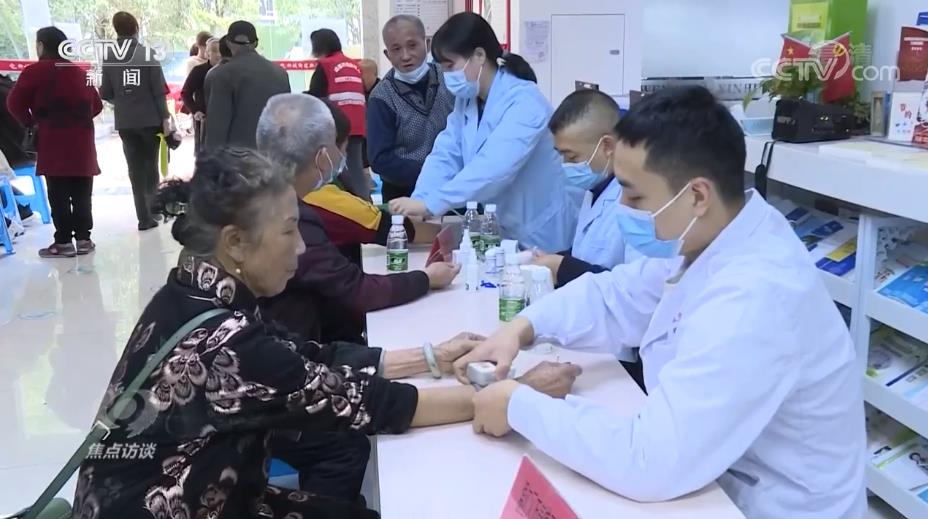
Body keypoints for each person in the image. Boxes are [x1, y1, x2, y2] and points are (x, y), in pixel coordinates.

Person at [457, 86, 866, 519]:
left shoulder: (757, 296)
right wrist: (520, 328)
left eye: (635, 196)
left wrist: (517, 404)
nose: (623, 207)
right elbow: (616, 295)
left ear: (697, 196)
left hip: (770, 506)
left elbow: (650, 461)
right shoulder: (713, 238)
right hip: (714, 478)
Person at [256, 93, 458, 344]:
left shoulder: (257, 197)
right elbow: (357, 291)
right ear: (322, 157)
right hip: (305, 343)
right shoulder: (297, 216)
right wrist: (427, 278)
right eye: (339, 148)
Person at [389, 13, 577, 252]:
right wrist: (421, 198)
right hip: (505, 229)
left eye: (450, 66)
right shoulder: (468, 101)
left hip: (543, 230)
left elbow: (494, 167)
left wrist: (432, 203)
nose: (447, 76)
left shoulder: (526, 101)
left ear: (479, 55)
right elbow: (446, 154)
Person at [305, 98, 440, 267]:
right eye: (344, 149)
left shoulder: (288, 189)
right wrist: (448, 234)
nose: (344, 157)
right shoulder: (320, 197)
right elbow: (384, 224)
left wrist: (395, 208)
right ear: (324, 153)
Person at [7, 26, 103, 258]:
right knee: (82, 193)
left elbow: (13, 103)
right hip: (82, 144)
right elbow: (97, 105)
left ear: (41, 45)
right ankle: (84, 240)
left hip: (52, 142)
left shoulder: (33, 72)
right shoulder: (80, 73)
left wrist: (32, 123)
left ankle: (63, 242)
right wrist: (76, 120)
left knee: (58, 193)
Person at [533, 90, 634, 287]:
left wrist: (562, 267)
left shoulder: (635, 201)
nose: (566, 165)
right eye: (561, 155)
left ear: (607, 146)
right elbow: (585, 253)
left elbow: (634, 289)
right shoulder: (596, 190)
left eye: (572, 157)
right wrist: (550, 260)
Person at [367, 15, 455, 202]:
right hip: (404, 196)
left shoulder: (450, 79)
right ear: (387, 55)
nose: (406, 56)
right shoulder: (381, 98)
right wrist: (429, 173)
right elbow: (380, 159)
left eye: (412, 45)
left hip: (454, 187)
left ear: (427, 44)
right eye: (396, 49)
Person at [99, 11, 171, 232]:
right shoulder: (146, 54)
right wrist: (165, 117)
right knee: (150, 166)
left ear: (116, 30)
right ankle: (153, 209)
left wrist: (123, 101)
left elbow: (105, 92)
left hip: (125, 122)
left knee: (135, 169)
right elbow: (158, 91)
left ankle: (143, 218)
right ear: (136, 29)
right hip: (150, 119)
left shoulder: (109, 57)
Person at [204, 21, 289, 149]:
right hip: (274, 152)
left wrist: (210, 158)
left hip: (238, 156)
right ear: (256, 43)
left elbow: (217, 127)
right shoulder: (281, 73)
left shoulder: (222, 75)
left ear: (228, 43)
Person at [307, 29, 370, 201]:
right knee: (356, 169)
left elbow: (316, 96)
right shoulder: (354, 65)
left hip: (336, 125)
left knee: (331, 168)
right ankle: (366, 204)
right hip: (357, 124)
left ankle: (338, 205)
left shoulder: (325, 65)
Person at [181, 37, 220, 155]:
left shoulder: (230, 71)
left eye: (221, 51)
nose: (219, 54)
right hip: (204, 119)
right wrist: (195, 111)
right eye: (215, 51)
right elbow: (185, 93)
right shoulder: (199, 71)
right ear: (207, 53)